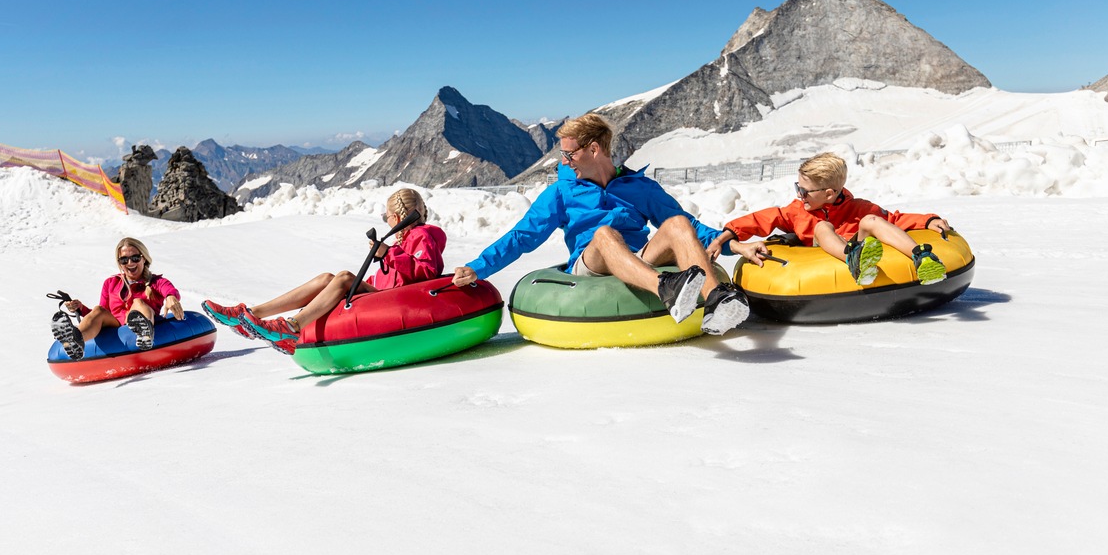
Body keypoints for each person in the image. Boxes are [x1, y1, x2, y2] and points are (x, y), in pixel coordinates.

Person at [451, 113, 749, 335]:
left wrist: (732, 242)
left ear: (594, 150)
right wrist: (479, 267)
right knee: (605, 234)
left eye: (569, 153)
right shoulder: (562, 192)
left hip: (636, 259)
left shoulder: (638, 186)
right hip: (591, 262)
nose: (565, 161)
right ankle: (665, 289)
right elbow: (523, 236)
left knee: (678, 224)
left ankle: (717, 302)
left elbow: (690, 228)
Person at [202, 188, 446, 355]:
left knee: (344, 278)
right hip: (386, 293)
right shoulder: (405, 239)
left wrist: (387, 254)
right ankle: (250, 314)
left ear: (395, 216)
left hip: (397, 300)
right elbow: (394, 275)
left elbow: (427, 272)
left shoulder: (421, 236)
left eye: (386, 217)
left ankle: (292, 328)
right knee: (326, 279)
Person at [715, 152, 950, 286]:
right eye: (799, 187)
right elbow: (761, 219)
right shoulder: (797, 212)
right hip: (823, 249)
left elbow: (894, 219)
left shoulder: (857, 207)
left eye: (805, 191)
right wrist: (728, 235)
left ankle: (922, 257)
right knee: (822, 226)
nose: (800, 194)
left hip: (857, 242)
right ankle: (853, 260)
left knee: (871, 220)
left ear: (829, 193)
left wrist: (928, 220)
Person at [51, 237, 185, 360]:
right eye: (124, 260)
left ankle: (144, 332)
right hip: (115, 324)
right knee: (98, 309)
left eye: (135, 258)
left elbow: (170, 290)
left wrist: (171, 297)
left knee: (138, 303)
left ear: (144, 258)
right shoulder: (111, 283)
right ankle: (75, 340)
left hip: (140, 320)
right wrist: (80, 308)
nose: (130, 263)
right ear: (120, 263)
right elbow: (102, 315)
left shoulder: (156, 282)